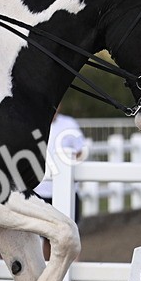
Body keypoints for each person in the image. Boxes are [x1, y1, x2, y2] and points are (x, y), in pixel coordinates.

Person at [30, 107, 87, 259]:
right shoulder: (33, 122)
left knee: (70, 236)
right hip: (40, 190)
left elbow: (81, 150)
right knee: (46, 237)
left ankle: (72, 275)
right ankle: (48, 274)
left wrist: (70, 165)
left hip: (66, 191)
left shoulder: (69, 124)